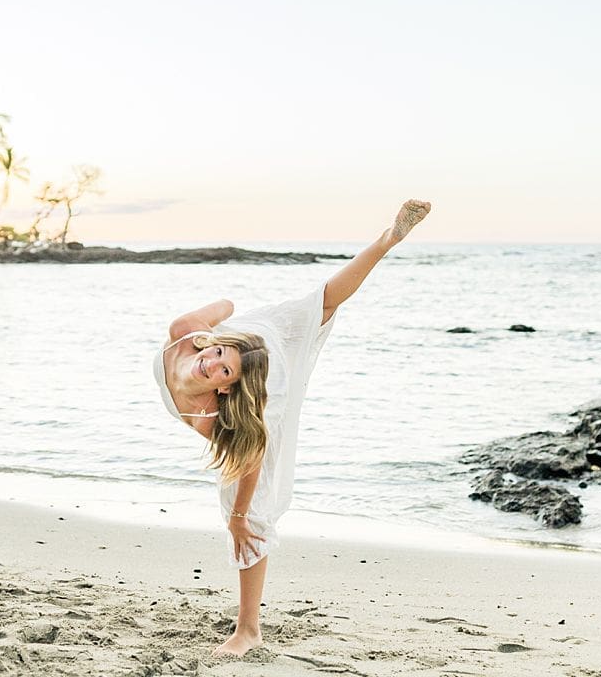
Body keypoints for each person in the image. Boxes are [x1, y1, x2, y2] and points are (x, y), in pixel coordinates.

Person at [152, 199, 431, 655]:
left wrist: (239, 519)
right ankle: (238, 344)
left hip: (265, 370)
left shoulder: (223, 413)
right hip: (249, 333)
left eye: (222, 371)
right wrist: (218, 333)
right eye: (215, 356)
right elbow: (228, 304)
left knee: (250, 507)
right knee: (301, 312)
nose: (212, 364)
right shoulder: (190, 333)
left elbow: (251, 457)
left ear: (224, 390)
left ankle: (248, 630)